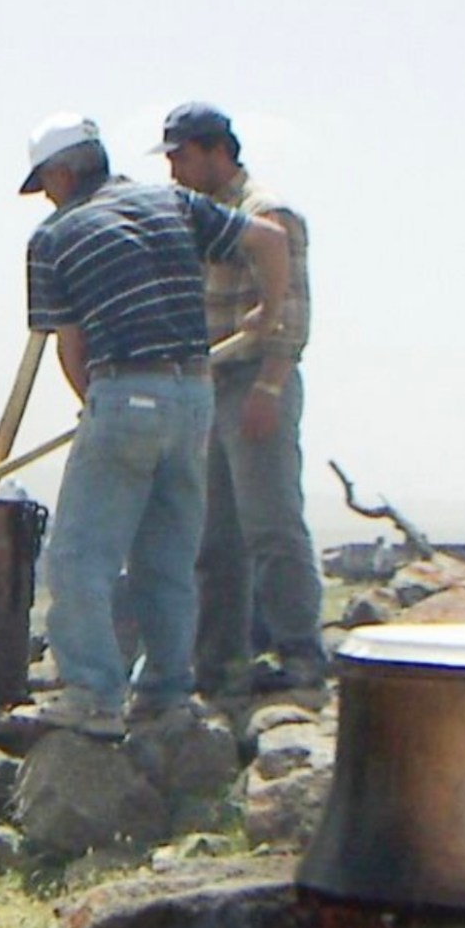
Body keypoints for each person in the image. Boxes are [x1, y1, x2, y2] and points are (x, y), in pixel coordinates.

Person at [19, 111, 289, 739]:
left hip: (126, 391)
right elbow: (271, 241)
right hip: (194, 394)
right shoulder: (172, 202)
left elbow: (72, 348)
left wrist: (100, 409)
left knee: (78, 558)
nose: (47, 196)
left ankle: (93, 696)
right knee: (167, 559)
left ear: (62, 175)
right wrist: (268, 313)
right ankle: (166, 695)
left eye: (45, 183)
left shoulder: (55, 236)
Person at [154, 102, 328, 696]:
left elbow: (290, 315)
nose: (174, 170)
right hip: (208, 382)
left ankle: (300, 653)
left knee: (271, 523)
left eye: (182, 156)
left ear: (216, 151)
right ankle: (218, 662)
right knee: (213, 535)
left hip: (253, 377)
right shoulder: (198, 217)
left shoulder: (267, 214)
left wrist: (269, 387)